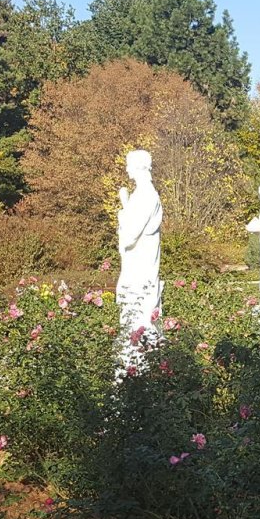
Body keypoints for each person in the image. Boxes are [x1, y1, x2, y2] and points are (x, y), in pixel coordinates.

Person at [116, 150, 162, 362]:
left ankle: (139, 360)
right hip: (137, 261)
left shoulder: (146, 194)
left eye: (129, 165)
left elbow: (132, 233)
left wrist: (123, 212)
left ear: (138, 167)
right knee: (132, 311)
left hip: (141, 263)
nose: (126, 169)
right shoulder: (140, 194)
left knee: (140, 309)